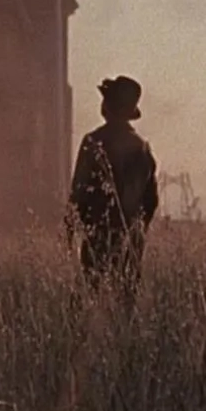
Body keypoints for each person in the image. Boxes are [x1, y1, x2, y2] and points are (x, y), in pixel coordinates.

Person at [68, 75, 160, 304]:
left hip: (97, 235)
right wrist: (138, 230)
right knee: (125, 302)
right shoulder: (142, 147)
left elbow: (78, 190)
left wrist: (73, 226)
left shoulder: (93, 142)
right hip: (131, 238)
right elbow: (151, 201)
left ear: (108, 107)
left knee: (87, 297)